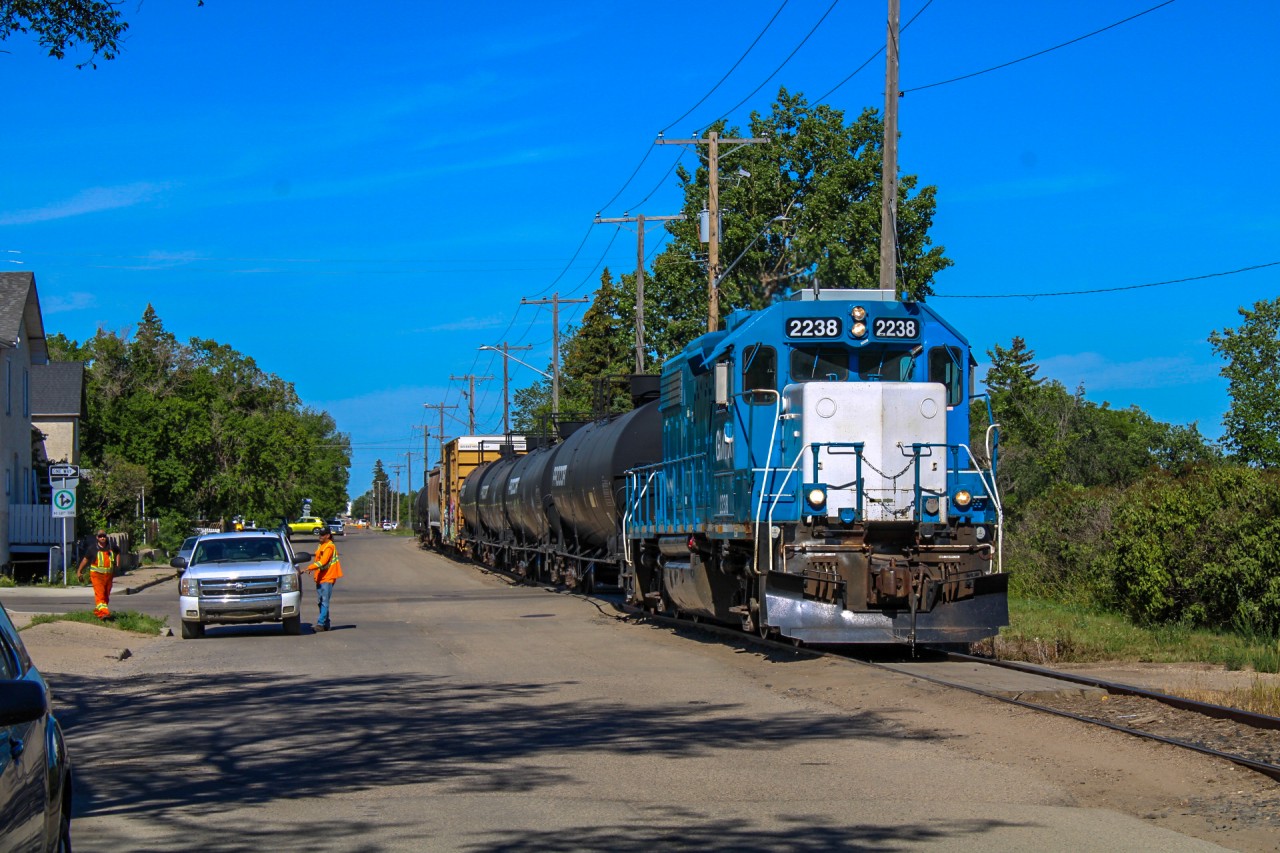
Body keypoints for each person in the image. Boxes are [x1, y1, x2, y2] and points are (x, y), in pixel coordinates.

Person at [304, 527, 343, 632]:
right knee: (321, 602)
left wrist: (309, 568)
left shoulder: (329, 547)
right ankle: (327, 623)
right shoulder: (321, 545)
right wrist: (313, 570)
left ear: (328, 535)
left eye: (322, 535)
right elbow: (318, 560)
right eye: (319, 534)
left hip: (328, 577)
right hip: (320, 577)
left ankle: (320, 624)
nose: (320, 536)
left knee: (324, 601)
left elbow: (323, 562)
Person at [77, 529, 122, 620]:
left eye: (104, 536)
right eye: (100, 536)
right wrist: (79, 571)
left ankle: (99, 612)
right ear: (97, 538)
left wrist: (117, 564)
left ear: (106, 537)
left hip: (108, 576)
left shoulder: (111, 546)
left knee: (106, 596)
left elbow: (118, 552)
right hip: (97, 576)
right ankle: (104, 614)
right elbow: (85, 559)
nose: (102, 538)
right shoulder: (92, 548)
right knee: (100, 595)